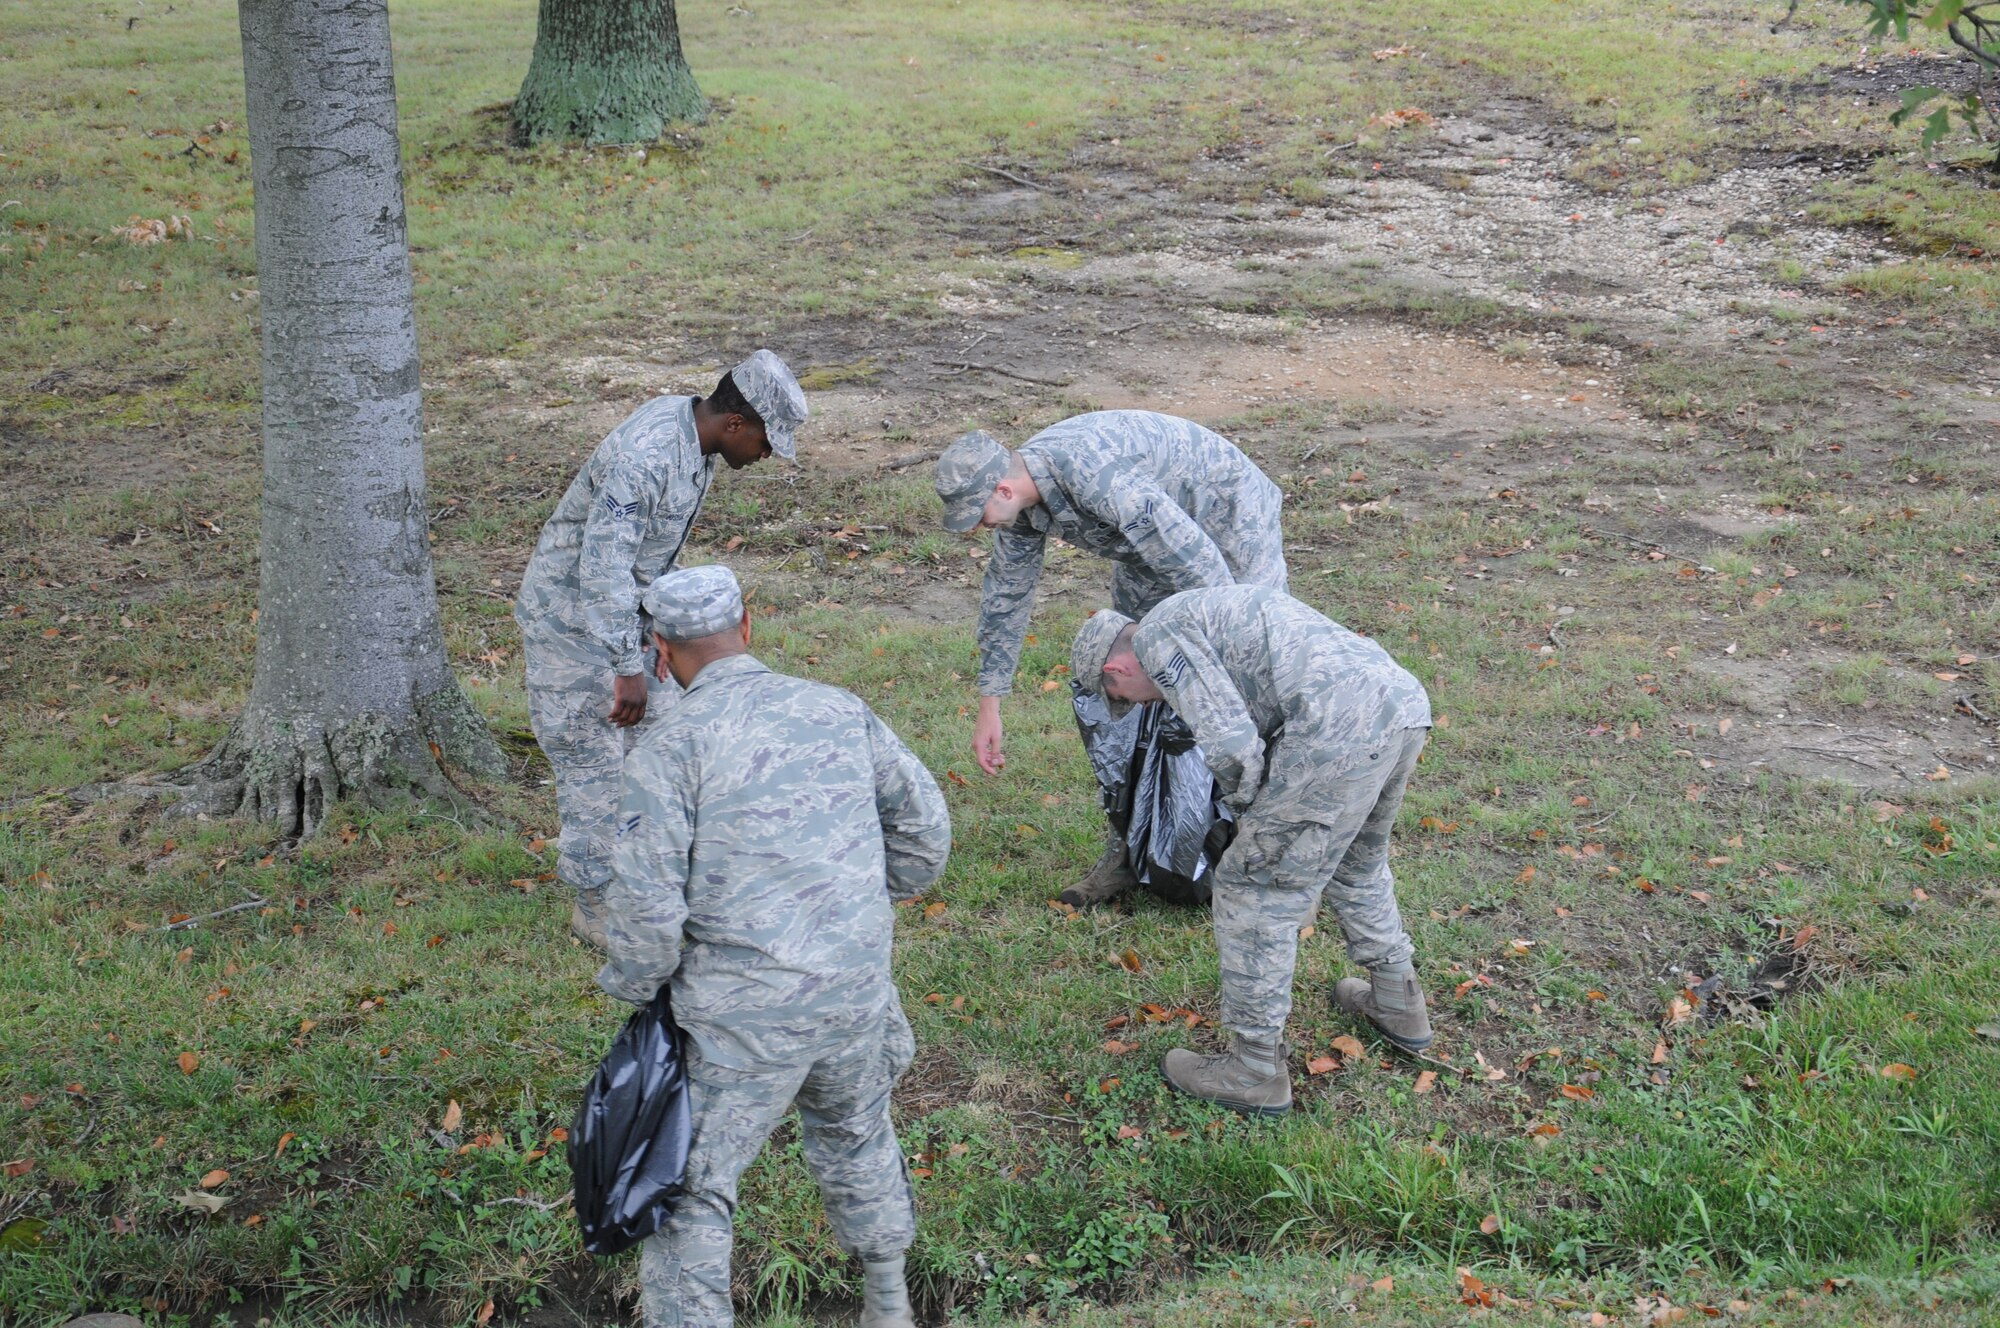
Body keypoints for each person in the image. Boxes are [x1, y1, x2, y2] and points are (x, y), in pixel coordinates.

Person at [599, 565, 951, 1328]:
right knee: (858, 1133)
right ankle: (888, 1304)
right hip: (857, 997)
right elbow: (926, 835)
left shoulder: (669, 747)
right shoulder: (839, 709)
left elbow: (647, 909)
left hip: (740, 1021)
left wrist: (633, 984)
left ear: (660, 652)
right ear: (748, 626)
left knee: (691, 1188)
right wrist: (850, 912)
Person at [1069, 586, 1433, 1117]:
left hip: (1333, 727)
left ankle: (1254, 1069)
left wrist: (1253, 826)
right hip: (1399, 701)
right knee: (1358, 863)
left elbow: (1232, 745)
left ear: (1116, 671)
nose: (1145, 704)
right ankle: (1398, 1004)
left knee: (1251, 889)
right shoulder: (1190, 614)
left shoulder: (1158, 639)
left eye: (1127, 699)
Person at [932, 410, 1287, 906]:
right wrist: (990, 703)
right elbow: (1005, 598)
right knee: (1124, 674)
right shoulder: (1023, 500)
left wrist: (1209, 662)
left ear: (1003, 491)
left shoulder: (1094, 476)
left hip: (1227, 522)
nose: (978, 527)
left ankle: (1272, 866)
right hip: (1146, 548)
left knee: (1238, 681)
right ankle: (1133, 846)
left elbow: (1202, 568)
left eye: (977, 515)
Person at [516, 351, 807, 949]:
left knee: (668, 748)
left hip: (631, 621)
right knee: (594, 767)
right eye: (766, 440)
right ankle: (596, 904)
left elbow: (636, 570)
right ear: (734, 424)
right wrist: (628, 669)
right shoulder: (646, 456)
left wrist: (649, 643)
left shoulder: (692, 437)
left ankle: (663, 879)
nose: (767, 454)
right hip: (571, 628)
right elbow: (600, 573)